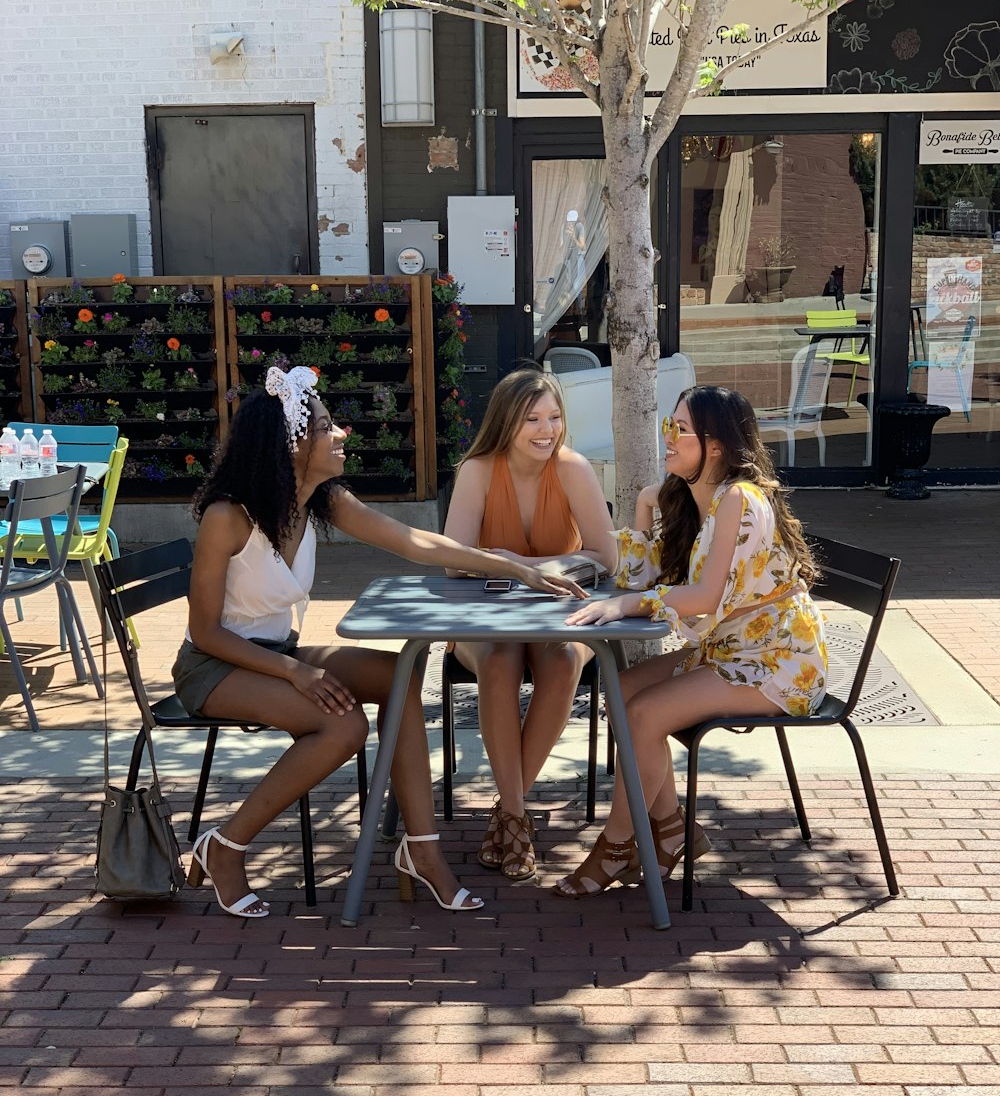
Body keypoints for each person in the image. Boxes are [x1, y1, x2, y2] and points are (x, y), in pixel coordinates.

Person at [173, 365, 583, 920]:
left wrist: (515, 567)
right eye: (326, 426)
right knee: (345, 724)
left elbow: (418, 543)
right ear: (292, 442)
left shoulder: (320, 500)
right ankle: (226, 846)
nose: (342, 434)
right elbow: (205, 632)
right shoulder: (228, 517)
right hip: (215, 666)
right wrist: (296, 673)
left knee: (401, 674)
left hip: (278, 655)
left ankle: (423, 851)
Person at [554, 384, 828, 898]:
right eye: (668, 425)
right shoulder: (698, 499)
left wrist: (631, 605)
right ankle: (673, 829)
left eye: (680, 429)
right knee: (623, 691)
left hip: (776, 661)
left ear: (716, 446)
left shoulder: (740, 501)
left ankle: (617, 845)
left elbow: (701, 597)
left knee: (643, 713)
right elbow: (635, 580)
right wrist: (643, 504)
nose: (669, 437)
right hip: (731, 651)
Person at [442, 367, 616, 883]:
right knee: (499, 661)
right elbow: (454, 561)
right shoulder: (476, 470)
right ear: (505, 422)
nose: (547, 429)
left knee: (562, 662)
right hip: (486, 618)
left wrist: (536, 566)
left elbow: (606, 555)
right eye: (532, 418)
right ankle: (517, 815)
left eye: (555, 417)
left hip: (562, 615)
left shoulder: (573, 468)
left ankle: (508, 813)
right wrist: (516, 564)